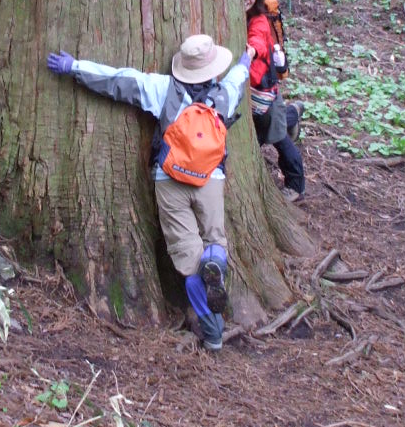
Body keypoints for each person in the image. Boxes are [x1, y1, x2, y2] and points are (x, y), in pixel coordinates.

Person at [46, 34, 251, 351]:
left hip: (169, 179)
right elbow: (239, 75)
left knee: (187, 254)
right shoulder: (225, 92)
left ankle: (212, 332)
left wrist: (74, 66)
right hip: (211, 177)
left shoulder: (163, 88)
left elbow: (118, 81)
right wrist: (246, 59)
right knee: (214, 239)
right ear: (213, 69)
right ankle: (216, 262)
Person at [243, 0, 305, 202]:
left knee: (278, 138)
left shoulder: (259, 20)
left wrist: (250, 52)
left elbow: (258, 39)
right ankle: (293, 114)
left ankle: (296, 186)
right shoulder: (239, 16)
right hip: (253, 95)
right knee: (267, 129)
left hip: (264, 94)